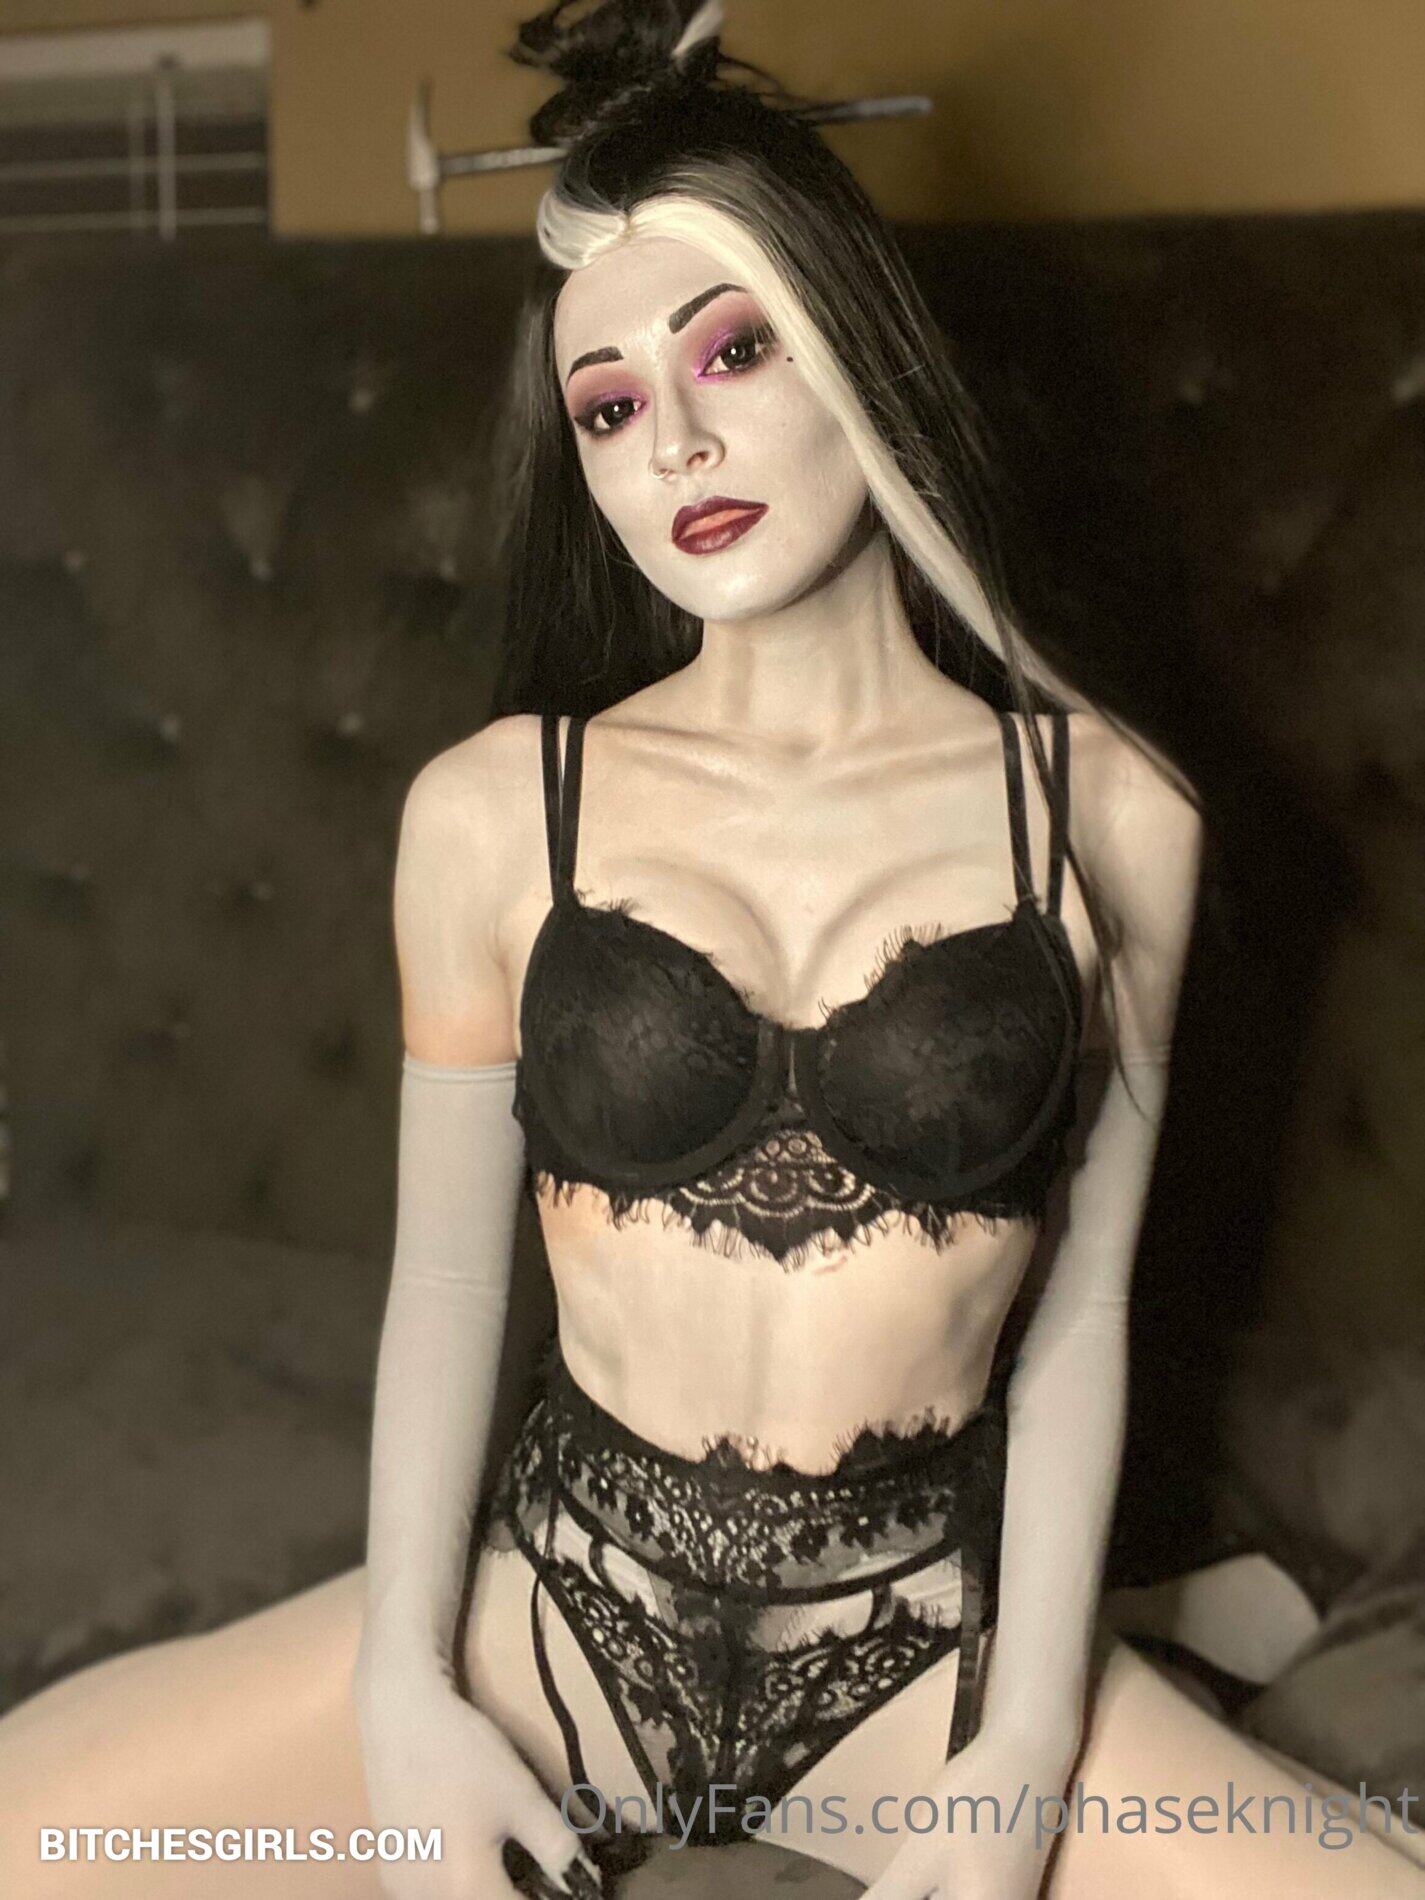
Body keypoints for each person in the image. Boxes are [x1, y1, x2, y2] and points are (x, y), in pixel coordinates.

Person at [2, 4, 1423, 1898]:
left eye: (731, 349)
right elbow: (451, 1288)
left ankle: (1146, 1623)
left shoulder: (1106, 818)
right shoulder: (498, 810)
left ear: (858, 349)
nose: (672, 440)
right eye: (606, 405)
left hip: (922, 1666)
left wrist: (1023, 1751)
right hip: (554, 1618)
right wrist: (405, 1687)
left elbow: (1080, 1321)